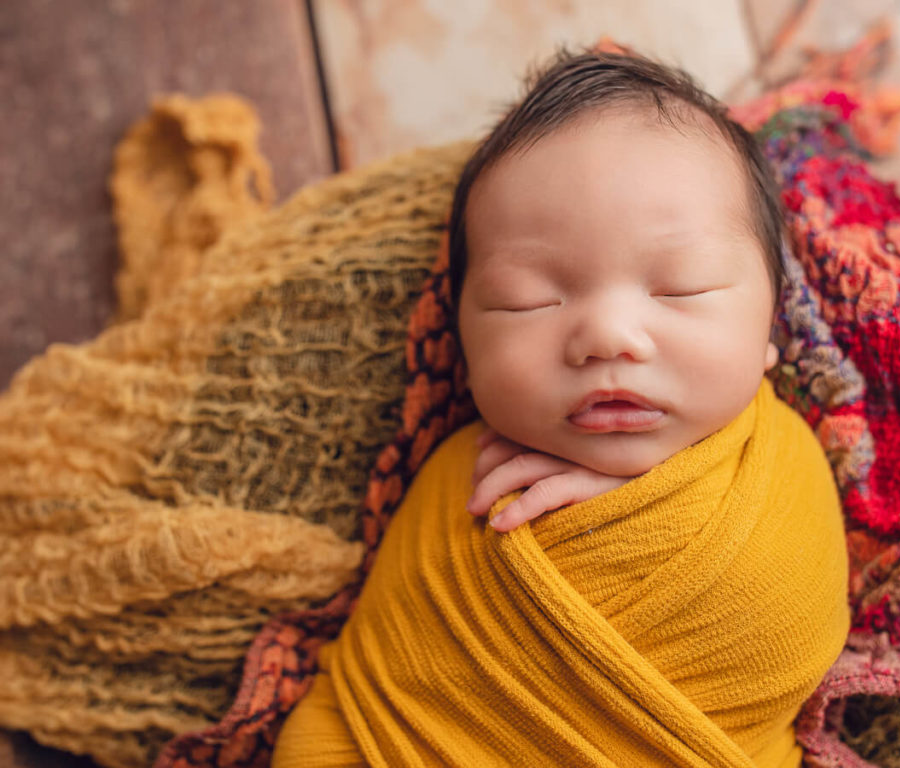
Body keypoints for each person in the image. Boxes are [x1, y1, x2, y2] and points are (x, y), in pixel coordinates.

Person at [272, 47, 849, 768]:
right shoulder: (458, 480)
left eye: (681, 288)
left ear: (772, 330)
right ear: (460, 336)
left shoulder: (782, 469)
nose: (607, 335)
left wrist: (655, 505)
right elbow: (375, 693)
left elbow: (792, 621)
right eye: (529, 299)